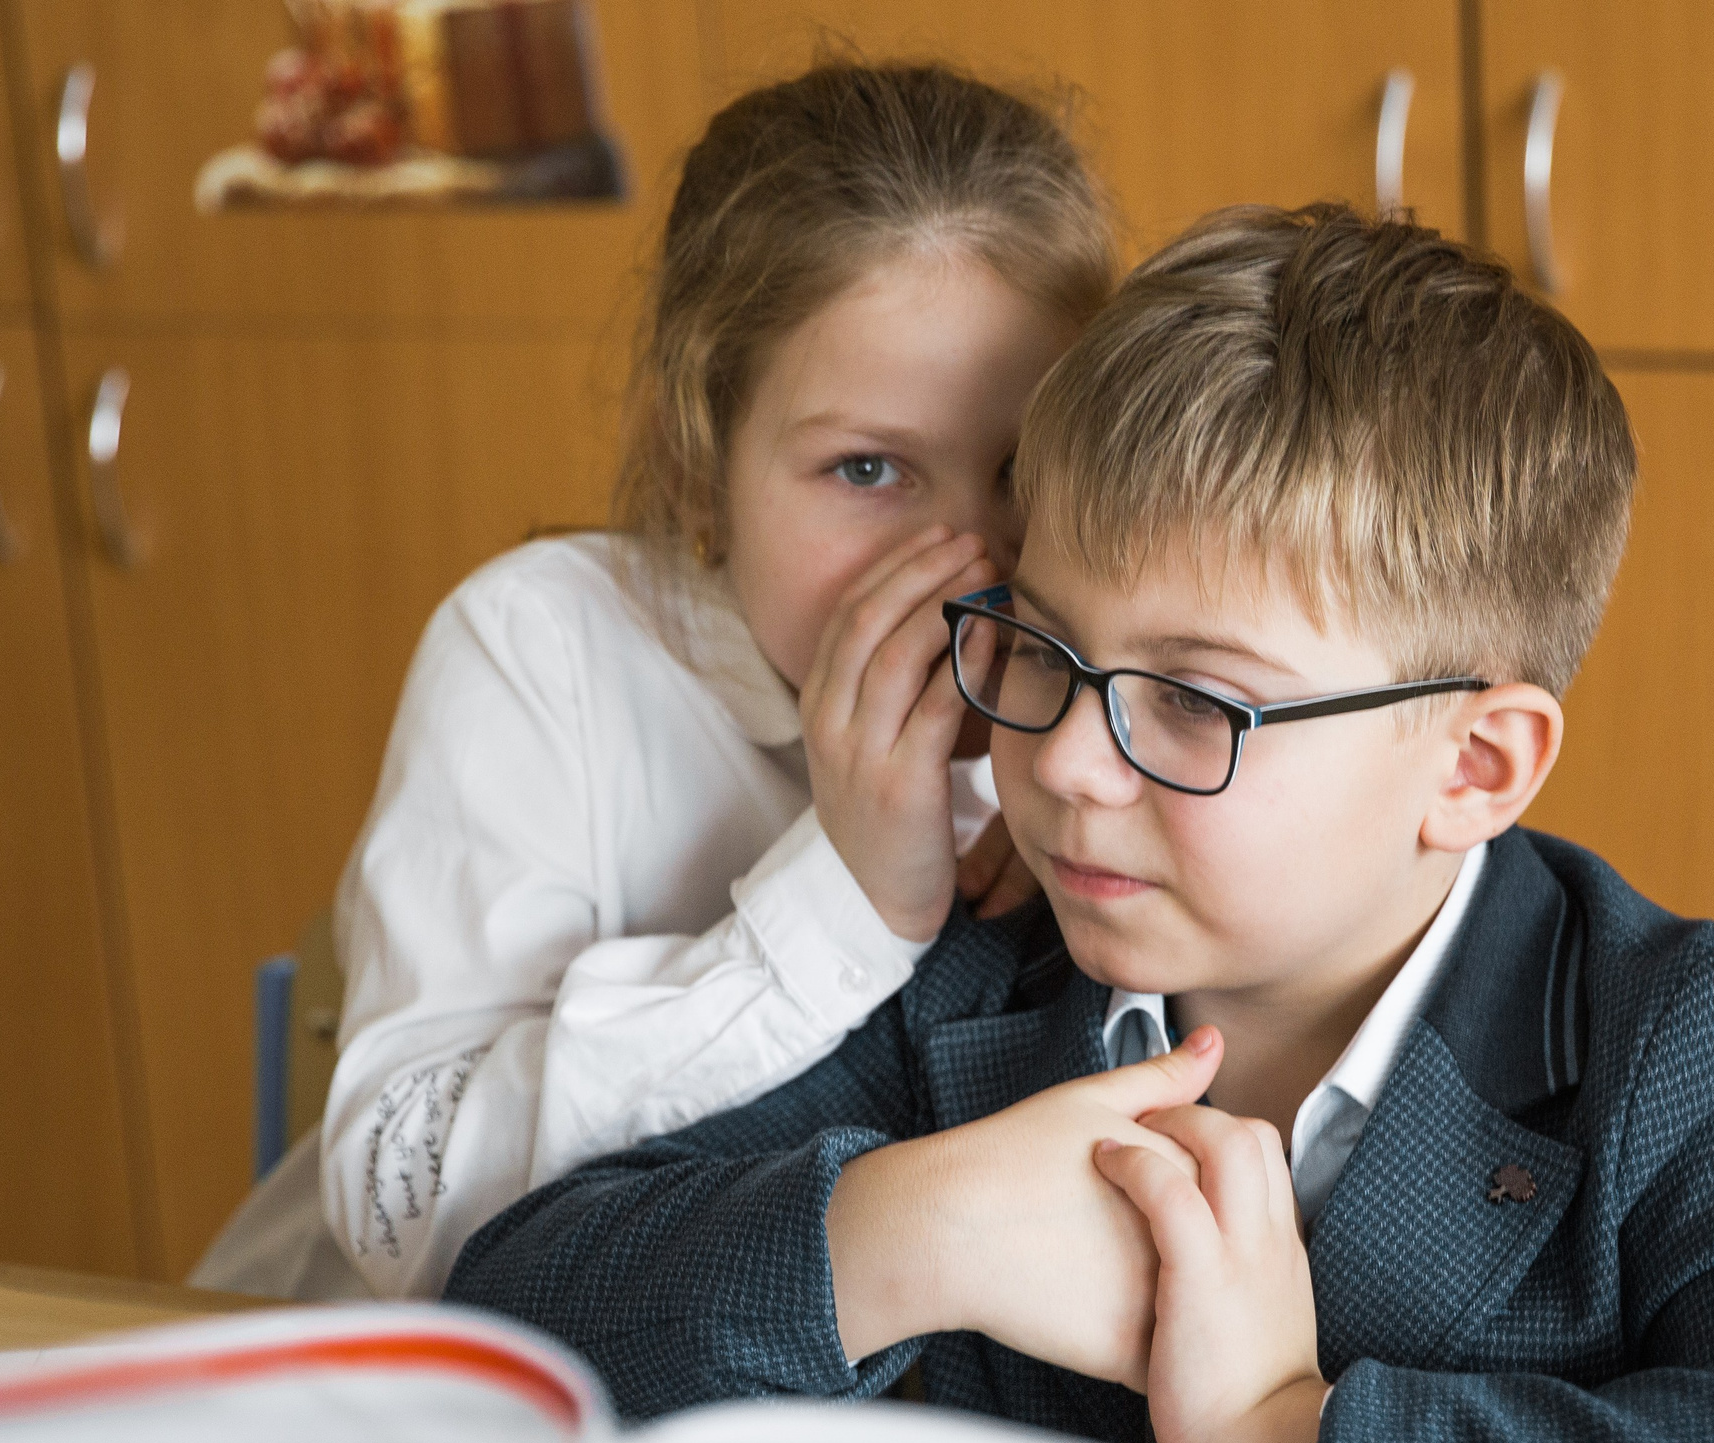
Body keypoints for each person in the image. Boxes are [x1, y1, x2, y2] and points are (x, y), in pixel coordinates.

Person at [442, 205, 1714, 1443]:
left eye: (1198, 702)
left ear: (1474, 765)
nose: (1062, 764)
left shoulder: (1681, 1043)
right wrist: (907, 1228)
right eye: (1049, 652)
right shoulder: (981, 962)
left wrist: (1289, 1440)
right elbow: (511, 1327)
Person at [189, 61, 1115, 1299]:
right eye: (865, 471)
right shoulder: (541, 652)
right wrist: (845, 908)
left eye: (1020, 465)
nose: (968, 562)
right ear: (696, 470)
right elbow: (403, 1205)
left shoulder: (1105, 707)